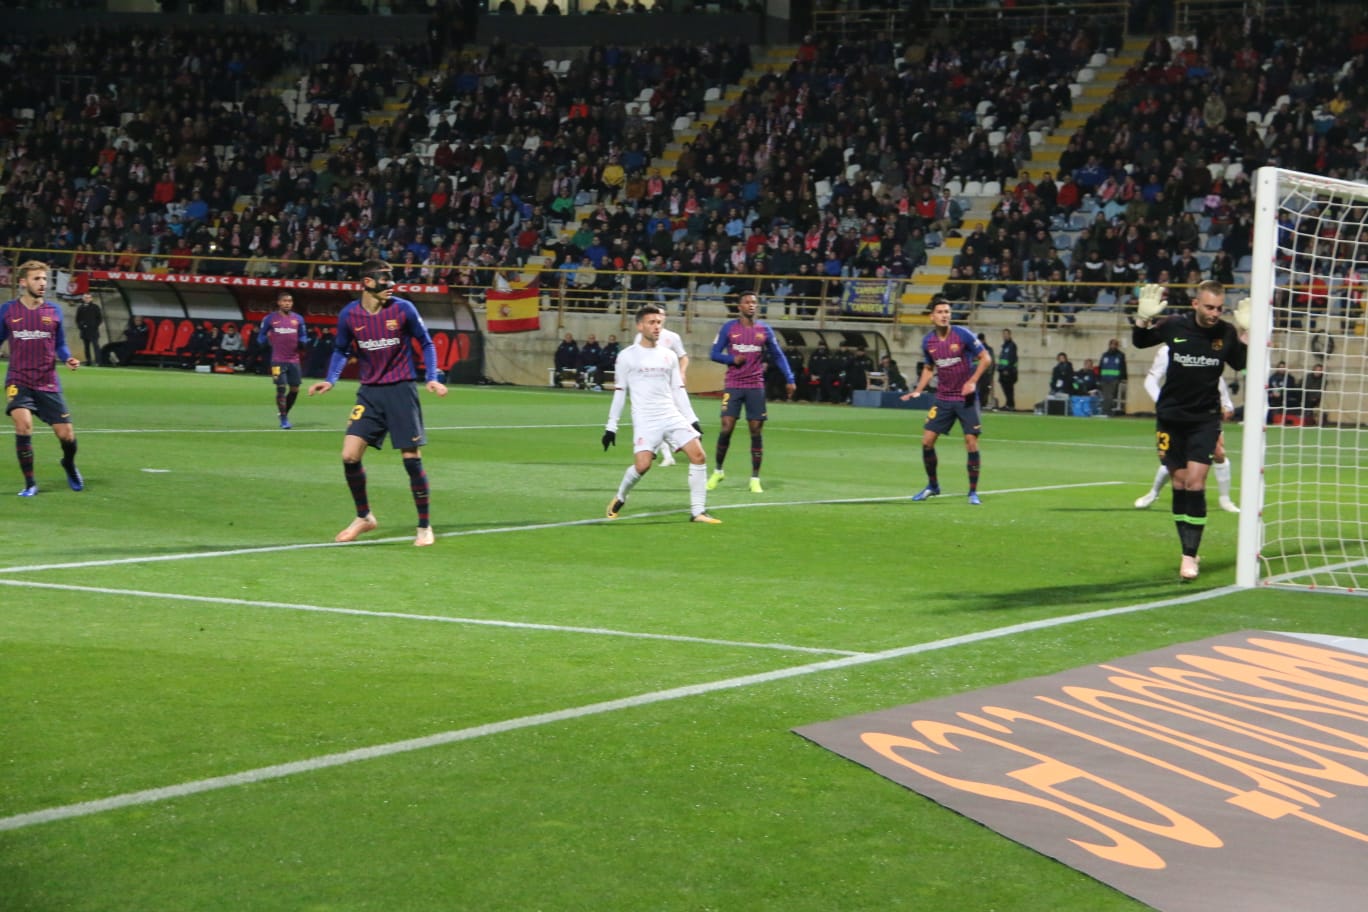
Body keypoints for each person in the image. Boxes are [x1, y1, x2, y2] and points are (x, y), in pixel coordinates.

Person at [308, 260, 448, 547]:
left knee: (411, 459)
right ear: (368, 283)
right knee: (349, 455)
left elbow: (427, 342)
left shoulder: (403, 309)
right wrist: (331, 379)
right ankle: (364, 517)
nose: (391, 286)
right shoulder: (350, 314)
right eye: (385, 280)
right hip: (369, 393)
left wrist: (432, 377)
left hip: (401, 390)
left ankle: (424, 526)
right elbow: (340, 349)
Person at [1132, 280, 1249, 580]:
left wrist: (1246, 336)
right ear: (1196, 304)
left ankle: (1188, 557)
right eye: (1209, 307)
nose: (1214, 313)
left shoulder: (1225, 333)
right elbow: (1139, 341)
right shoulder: (1174, 325)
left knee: (1196, 484)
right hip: (1171, 419)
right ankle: (1189, 548)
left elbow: (1244, 366)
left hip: (1204, 420)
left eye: (1220, 309)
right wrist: (1142, 319)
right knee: (1180, 484)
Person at [602, 304, 720, 524]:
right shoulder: (627, 357)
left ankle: (698, 512)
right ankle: (620, 496)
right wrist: (611, 426)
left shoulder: (669, 356)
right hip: (646, 420)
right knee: (643, 465)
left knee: (699, 455)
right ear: (639, 326)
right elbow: (620, 391)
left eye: (659, 322)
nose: (657, 327)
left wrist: (692, 419)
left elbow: (678, 389)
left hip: (671, 414)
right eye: (651, 322)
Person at [0, 261, 83, 495]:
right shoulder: (8, 310)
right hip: (18, 380)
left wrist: (67, 358)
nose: (43, 283)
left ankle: (68, 463)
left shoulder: (53, 311)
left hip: (47, 381)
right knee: (23, 425)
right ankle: (30, 484)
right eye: (37, 279)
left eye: (45, 279)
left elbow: (61, 344)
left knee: (67, 435)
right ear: (23, 282)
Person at [901, 296, 993, 504]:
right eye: (940, 312)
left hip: (965, 399)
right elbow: (928, 367)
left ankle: (972, 493)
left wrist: (972, 381)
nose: (945, 315)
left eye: (947, 312)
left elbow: (986, 358)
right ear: (932, 317)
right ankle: (933, 486)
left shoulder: (963, 335)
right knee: (926, 442)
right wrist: (918, 390)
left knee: (970, 443)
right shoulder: (929, 342)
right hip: (942, 398)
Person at [707, 291, 796, 493]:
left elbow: (778, 355)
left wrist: (790, 378)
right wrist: (731, 360)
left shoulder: (764, 330)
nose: (751, 305)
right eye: (747, 302)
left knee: (755, 430)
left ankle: (755, 478)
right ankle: (718, 471)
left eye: (754, 302)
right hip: (733, 384)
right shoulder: (729, 328)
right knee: (726, 426)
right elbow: (713, 354)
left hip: (755, 385)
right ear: (739, 306)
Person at [1133, 345, 1239, 514]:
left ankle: (1225, 499)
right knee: (1175, 458)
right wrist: (1164, 403)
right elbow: (1151, 380)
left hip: (1205, 410)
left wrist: (1226, 403)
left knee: (1218, 452)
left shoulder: (1206, 345)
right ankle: (1153, 493)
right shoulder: (1168, 350)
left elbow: (1215, 377)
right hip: (1176, 414)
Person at [635, 316, 699, 468]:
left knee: (674, 415)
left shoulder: (672, 337)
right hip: (651, 386)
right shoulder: (640, 337)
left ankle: (688, 437)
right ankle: (667, 454)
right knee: (657, 417)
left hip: (670, 384)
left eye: (660, 318)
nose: (657, 322)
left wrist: (682, 372)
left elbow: (683, 357)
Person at [258, 291, 309, 429]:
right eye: (285, 301)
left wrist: (303, 342)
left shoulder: (298, 319)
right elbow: (261, 335)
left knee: (295, 389)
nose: (287, 303)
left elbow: (304, 335)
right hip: (277, 360)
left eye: (290, 301)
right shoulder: (270, 319)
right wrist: (264, 343)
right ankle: (284, 419)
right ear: (279, 303)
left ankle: (283, 413)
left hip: (294, 360)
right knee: (281, 388)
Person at [1098, 338, 1128, 416]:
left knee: (1110, 395)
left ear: (1117, 346)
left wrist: (1123, 378)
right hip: (1104, 378)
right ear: (1109, 345)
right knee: (1105, 395)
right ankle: (1106, 411)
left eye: (1115, 344)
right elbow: (1100, 367)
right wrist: (1099, 377)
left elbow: (1123, 367)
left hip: (1114, 379)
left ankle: (1106, 411)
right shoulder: (1105, 355)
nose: (1113, 346)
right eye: (1112, 344)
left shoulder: (1120, 355)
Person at [74, 292, 102, 365]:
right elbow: (77, 319)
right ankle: (88, 361)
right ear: (83, 298)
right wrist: (81, 326)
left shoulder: (95, 307)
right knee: (86, 347)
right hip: (84, 330)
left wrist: (95, 326)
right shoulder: (80, 307)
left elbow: (99, 319)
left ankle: (98, 361)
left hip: (93, 330)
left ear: (91, 298)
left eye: (88, 297)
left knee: (96, 346)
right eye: (85, 297)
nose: (87, 299)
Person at [997, 329, 1019, 410]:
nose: (1005, 336)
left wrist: (1007, 369)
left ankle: (1010, 405)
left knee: (1009, 389)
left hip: (1009, 372)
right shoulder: (1004, 346)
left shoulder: (1012, 346)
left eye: (1006, 334)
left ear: (1010, 335)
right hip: (1002, 371)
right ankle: (1008, 403)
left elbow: (1011, 359)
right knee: (1005, 389)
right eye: (1004, 334)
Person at [1301, 362, 1325, 426]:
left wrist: (1316, 397)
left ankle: (1313, 421)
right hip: (1306, 396)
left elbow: (1321, 390)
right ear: (1314, 370)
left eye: (1320, 370)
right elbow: (1305, 387)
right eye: (1317, 370)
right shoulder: (1308, 377)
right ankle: (1307, 419)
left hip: (1317, 399)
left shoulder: (1323, 379)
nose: (1318, 372)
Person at [975, 332, 995, 410]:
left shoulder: (988, 350)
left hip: (986, 374)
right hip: (978, 373)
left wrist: (990, 374)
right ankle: (978, 405)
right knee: (977, 390)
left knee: (985, 390)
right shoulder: (976, 349)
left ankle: (982, 405)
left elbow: (991, 363)